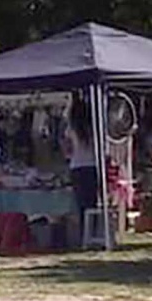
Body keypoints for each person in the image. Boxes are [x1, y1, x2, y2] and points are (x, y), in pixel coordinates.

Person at [64, 97, 98, 228]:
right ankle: (92, 231)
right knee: (92, 202)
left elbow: (67, 149)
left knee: (81, 204)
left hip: (77, 166)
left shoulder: (71, 129)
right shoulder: (93, 128)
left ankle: (83, 232)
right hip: (92, 165)